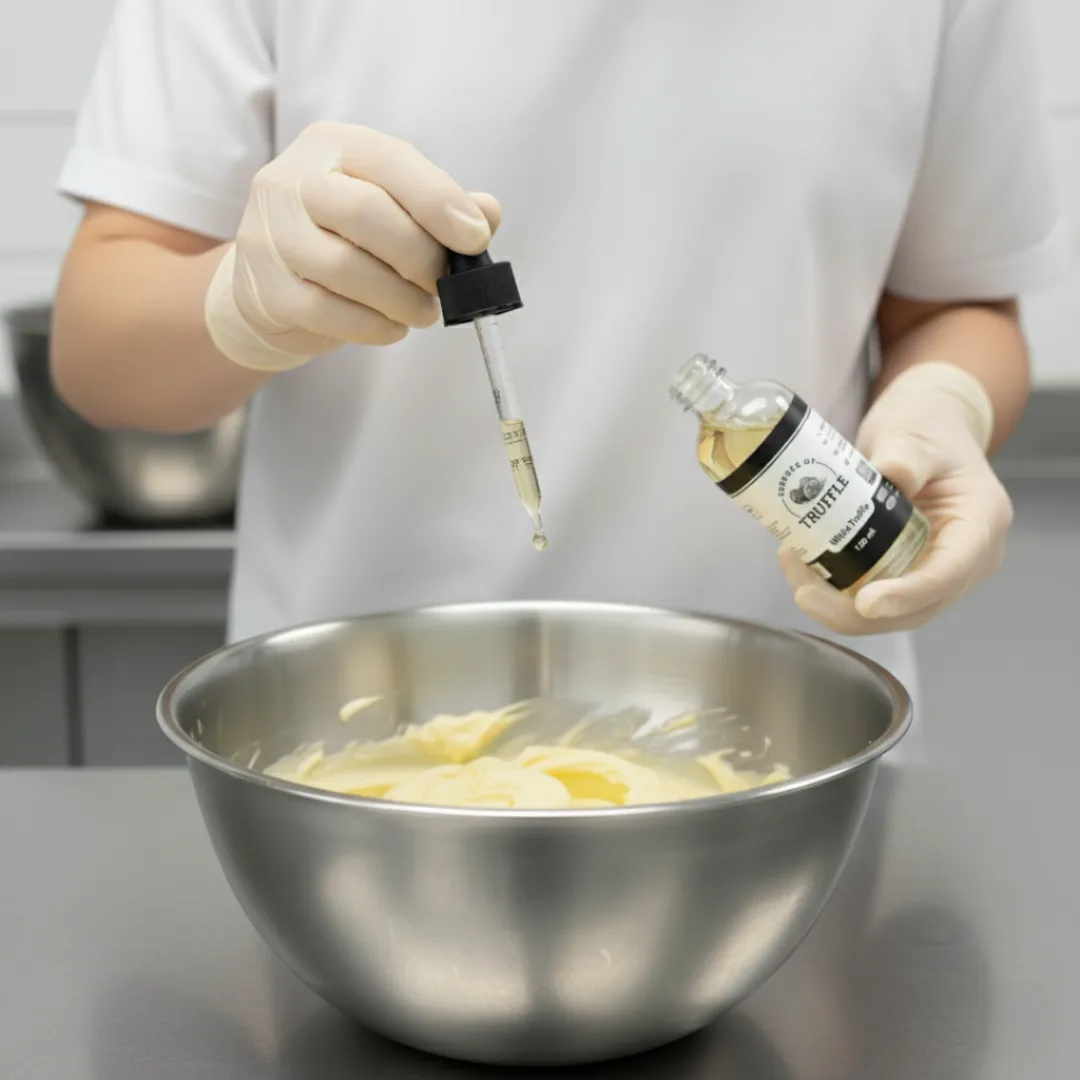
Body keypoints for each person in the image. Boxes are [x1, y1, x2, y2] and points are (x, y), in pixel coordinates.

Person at [52, 1, 1067, 759]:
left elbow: (958, 306)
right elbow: (98, 356)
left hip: (801, 755)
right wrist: (244, 303)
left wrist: (945, 404)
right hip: (351, 764)